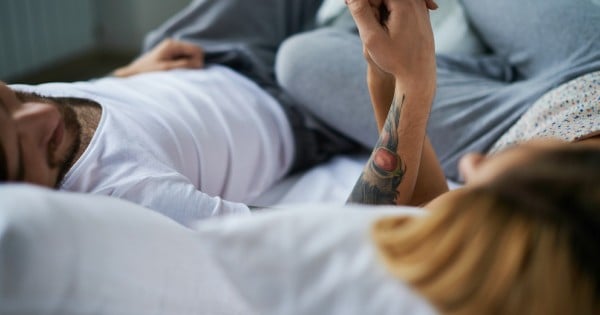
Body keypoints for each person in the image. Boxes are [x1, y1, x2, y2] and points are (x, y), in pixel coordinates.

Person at [0, 0, 360, 227]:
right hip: (288, 106)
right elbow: (309, 235)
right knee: (306, 56)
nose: (42, 114)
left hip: (199, 52)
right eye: (30, 148)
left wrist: (122, 75)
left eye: (11, 99)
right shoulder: (127, 201)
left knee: (161, 38)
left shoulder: (32, 112)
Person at [275, 0, 600, 181]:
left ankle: (490, 62)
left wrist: (404, 80)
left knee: (301, 60)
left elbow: (420, 203)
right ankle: (495, 63)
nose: (469, 166)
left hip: (506, 128)